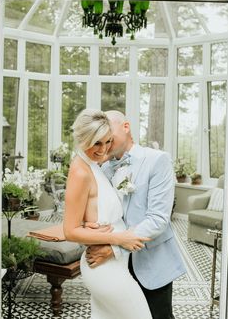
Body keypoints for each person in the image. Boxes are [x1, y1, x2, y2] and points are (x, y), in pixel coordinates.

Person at [85, 110, 186, 319]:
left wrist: (113, 248)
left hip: (152, 263)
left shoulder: (157, 160)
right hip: (115, 269)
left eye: (109, 130)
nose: (105, 139)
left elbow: (158, 220)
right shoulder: (103, 169)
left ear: (126, 126)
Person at [63, 108, 152, 319]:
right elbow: (70, 231)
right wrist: (118, 238)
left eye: (107, 141)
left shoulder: (94, 165)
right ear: (83, 139)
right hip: (103, 269)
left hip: (114, 263)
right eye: (96, 143)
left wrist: (90, 226)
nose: (103, 150)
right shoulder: (80, 171)